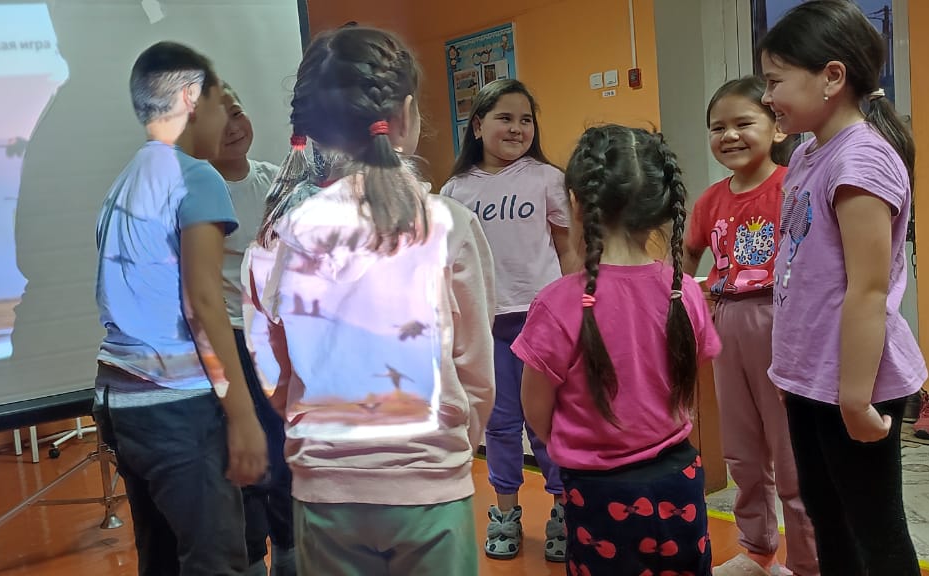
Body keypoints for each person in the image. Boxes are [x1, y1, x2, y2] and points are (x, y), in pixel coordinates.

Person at [242, 25, 496, 576]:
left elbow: (273, 371)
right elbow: (476, 371)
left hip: (324, 489)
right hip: (431, 488)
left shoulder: (278, 236)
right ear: (405, 116)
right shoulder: (450, 224)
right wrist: (444, 450)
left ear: (312, 128)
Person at [760, 1, 927, 574]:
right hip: (813, 377)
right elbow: (803, 272)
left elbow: (868, 291)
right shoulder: (808, 153)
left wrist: (855, 399)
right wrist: (790, 371)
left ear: (832, 77)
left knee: (874, 532)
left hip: (854, 380)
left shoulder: (861, 160)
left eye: (775, 81)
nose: (768, 97)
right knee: (827, 518)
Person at [92, 41, 267, 576]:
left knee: (163, 558)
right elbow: (204, 302)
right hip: (177, 405)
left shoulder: (124, 183)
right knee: (217, 561)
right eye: (221, 105)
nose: (226, 120)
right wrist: (242, 417)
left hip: (120, 399)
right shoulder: (196, 176)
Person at [515, 124, 721, 576]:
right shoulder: (684, 290)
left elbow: (536, 411)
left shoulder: (556, 304)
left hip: (597, 490)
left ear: (576, 204)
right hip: (681, 479)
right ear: (661, 208)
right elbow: (691, 383)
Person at [684, 76, 816, 576]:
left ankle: (807, 561)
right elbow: (688, 256)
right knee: (741, 449)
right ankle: (757, 549)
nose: (730, 135)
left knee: (791, 451)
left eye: (743, 123)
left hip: (782, 320)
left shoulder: (792, 186)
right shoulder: (709, 200)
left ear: (777, 127)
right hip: (726, 320)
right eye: (718, 127)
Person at [440, 78, 576, 562]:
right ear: (477, 126)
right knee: (499, 425)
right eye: (504, 118)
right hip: (486, 324)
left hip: (542, 320)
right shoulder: (455, 190)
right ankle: (504, 513)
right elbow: (450, 265)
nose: (517, 128)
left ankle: (563, 512)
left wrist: (578, 308)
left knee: (547, 422)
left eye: (525, 119)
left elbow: (567, 248)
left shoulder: (547, 178)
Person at [211, 81, 295, 576]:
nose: (233, 127)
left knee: (285, 446)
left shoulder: (274, 179)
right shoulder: (202, 190)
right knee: (247, 451)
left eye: (237, 112)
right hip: (233, 337)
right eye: (217, 121)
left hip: (279, 333)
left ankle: (288, 546)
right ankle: (250, 555)